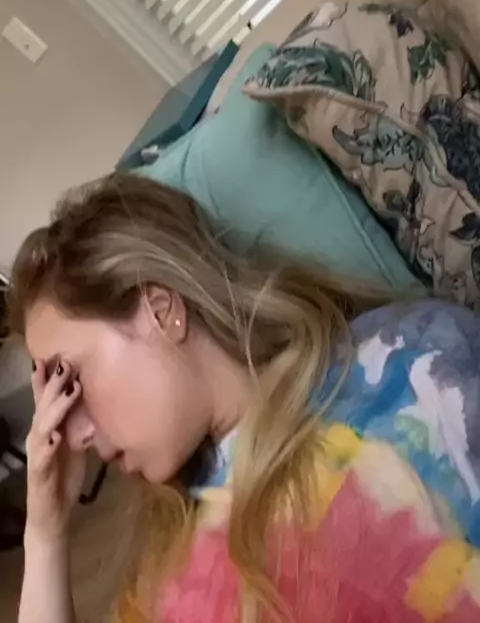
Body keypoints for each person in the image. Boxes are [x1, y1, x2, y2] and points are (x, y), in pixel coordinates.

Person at [10, 174, 480, 623]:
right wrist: (45, 534)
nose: (75, 434)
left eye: (70, 380)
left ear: (161, 311)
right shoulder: (165, 553)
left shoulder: (415, 369)